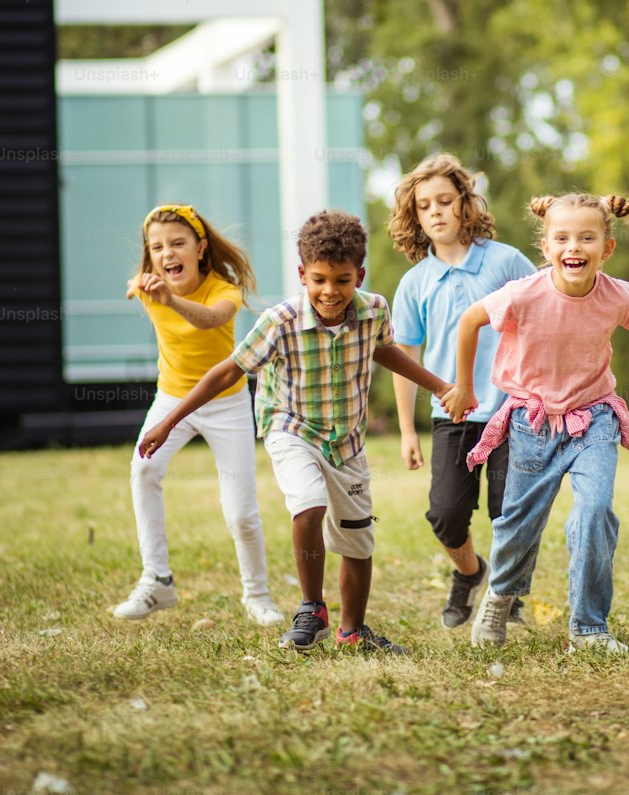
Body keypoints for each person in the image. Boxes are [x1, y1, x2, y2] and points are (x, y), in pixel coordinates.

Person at [140, 210, 461, 653]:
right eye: (319, 280)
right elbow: (226, 371)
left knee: (356, 538)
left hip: (345, 439)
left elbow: (385, 353)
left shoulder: (373, 311)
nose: (331, 291)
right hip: (288, 426)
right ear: (302, 275)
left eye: (343, 281)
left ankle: (352, 630)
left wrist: (441, 387)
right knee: (308, 504)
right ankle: (312, 607)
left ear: (359, 275)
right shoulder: (280, 321)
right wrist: (168, 420)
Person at [443, 193, 629, 653]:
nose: (573, 246)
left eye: (586, 237)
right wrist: (464, 386)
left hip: (594, 418)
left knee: (596, 510)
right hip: (531, 422)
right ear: (546, 247)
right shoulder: (525, 293)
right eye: (561, 237)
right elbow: (470, 319)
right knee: (518, 524)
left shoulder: (618, 295)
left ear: (606, 248)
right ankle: (500, 595)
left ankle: (590, 626)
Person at [112, 204, 281, 626]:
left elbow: (209, 321)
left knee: (240, 512)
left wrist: (168, 299)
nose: (167, 253)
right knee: (143, 472)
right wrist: (141, 288)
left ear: (201, 248)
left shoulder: (224, 290)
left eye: (177, 244)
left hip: (226, 404)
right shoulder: (149, 286)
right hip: (172, 399)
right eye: (157, 247)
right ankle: (158, 580)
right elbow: (133, 284)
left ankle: (257, 596)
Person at [389, 155, 536, 627]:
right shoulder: (414, 284)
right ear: (415, 217)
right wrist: (407, 430)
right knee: (445, 516)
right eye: (425, 206)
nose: (436, 212)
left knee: (507, 509)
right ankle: (470, 574)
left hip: (511, 412)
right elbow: (405, 358)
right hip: (450, 415)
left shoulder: (506, 260)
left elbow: (542, 319)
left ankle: (506, 597)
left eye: (445, 201)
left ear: (465, 204)